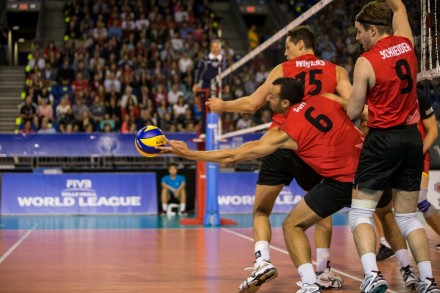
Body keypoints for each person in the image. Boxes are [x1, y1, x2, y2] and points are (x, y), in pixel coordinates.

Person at [160, 77, 363, 293]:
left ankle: (294, 276)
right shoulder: (326, 98)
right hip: (369, 170)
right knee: (392, 215)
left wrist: (189, 153)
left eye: (272, 96)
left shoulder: (282, 132)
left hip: (340, 180)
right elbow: (364, 112)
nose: (267, 98)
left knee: (283, 221)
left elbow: (233, 155)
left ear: (285, 103)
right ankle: (356, 271)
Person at [206, 26, 351, 292]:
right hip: (317, 147)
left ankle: (262, 261)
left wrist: (224, 105)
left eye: (287, 47)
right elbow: (352, 105)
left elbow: (252, 104)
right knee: (323, 210)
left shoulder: (284, 69)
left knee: (261, 210)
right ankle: (324, 270)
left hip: (281, 142)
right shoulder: (336, 70)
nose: (285, 52)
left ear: (299, 44)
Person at [346, 0, 440, 292]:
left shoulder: (366, 62)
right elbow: (399, 7)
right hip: (411, 138)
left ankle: (372, 276)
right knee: (408, 216)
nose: (357, 38)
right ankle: (428, 281)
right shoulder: (406, 44)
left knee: (360, 212)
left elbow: (353, 112)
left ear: (372, 29)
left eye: (360, 31)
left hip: (383, 139)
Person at [192, 39, 228, 136]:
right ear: (211, 48)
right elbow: (199, 71)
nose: (216, 49)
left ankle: (218, 131)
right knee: (205, 109)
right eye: (214, 47)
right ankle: (204, 131)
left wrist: (227, 84)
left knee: (220, 108)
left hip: (218, 87)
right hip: (206, 86)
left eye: (218, 47)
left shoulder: (224, 60)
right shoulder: (204, 59)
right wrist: (196, 83)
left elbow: (227, 73)